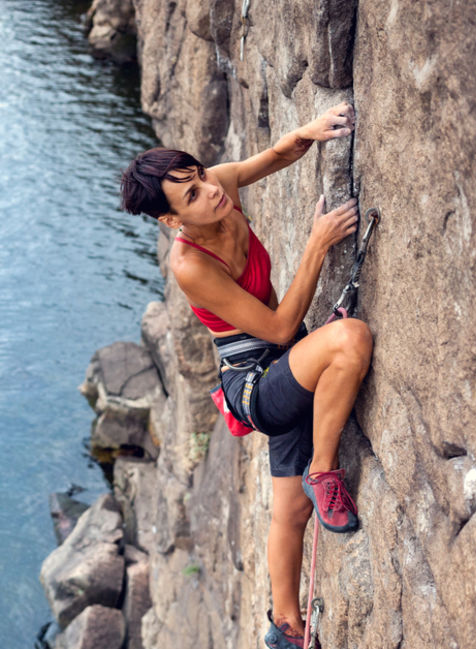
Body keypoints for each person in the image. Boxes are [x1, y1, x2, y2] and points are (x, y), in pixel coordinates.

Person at [119, 102, 370, 649]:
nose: (209, 191)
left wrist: (307, 132)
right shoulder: (189, 265)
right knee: (349, 339)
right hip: (257, 384)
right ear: (171, 220)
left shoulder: (218, 191)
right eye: (190, 195)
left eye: (200, 175)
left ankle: (283, 628)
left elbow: (276, 155)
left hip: (285, 365)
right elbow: (281, 329)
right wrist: (316, 245)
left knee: (291, 511)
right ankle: (323, 470)